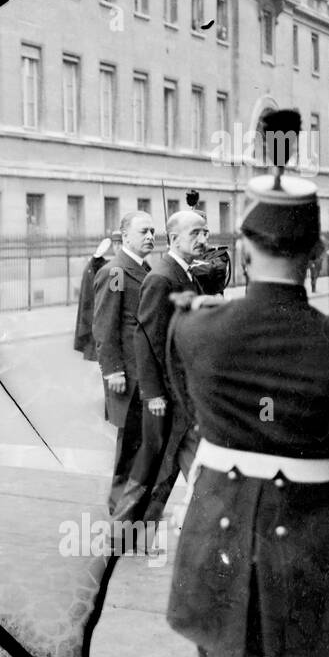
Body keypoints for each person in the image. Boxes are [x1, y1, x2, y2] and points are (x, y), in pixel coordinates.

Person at [166, 118, 329, 657]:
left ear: (242, 248)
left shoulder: (193, 331)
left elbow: (190, 416)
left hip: (220, 547)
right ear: (317, 253)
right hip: (320, 557)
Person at [115, 210, 207, 542]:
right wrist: (152, 393)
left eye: (205, 233)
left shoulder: (185, 275)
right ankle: (125, 534)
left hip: (185, 395)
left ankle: (131, 534)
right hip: (167, 395)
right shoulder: (162, 277)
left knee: (179, 467)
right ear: (174, 239)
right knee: (158, 469)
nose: (203, 239)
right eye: (195, 233)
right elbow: (146, 338)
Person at [93, 211, 155, 510]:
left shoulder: (143, 268)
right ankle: (118, 506)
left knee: (141, 442)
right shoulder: (117, 271)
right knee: (130, 444)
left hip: (145, 371)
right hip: (128, 373)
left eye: (153, 231)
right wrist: (113, 371)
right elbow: (105, 325)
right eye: (143, 231)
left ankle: (129, 505)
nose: (150, 236)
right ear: (125, 235)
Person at [74, 235, 117, 360]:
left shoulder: (125, 264)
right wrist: (95, 258)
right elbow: (93, 271)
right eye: (115, 244)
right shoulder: (109, 266)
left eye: (121, 243)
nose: (118, 247)